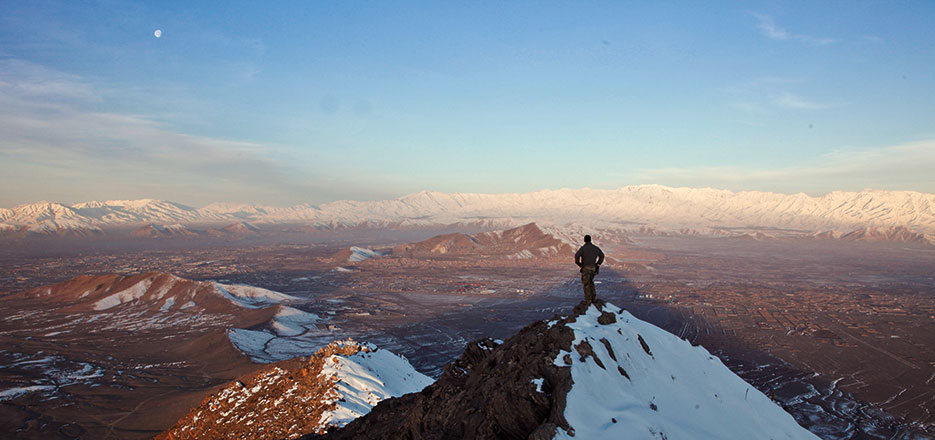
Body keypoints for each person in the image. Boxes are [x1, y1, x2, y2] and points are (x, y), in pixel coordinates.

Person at [574, 235, 604, 303]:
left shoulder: (583, 248)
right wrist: (598, 264)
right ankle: (593, 298)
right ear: (590, 240)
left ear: (584, 240)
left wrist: (579, 264)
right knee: (591, 282)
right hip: (593, 268)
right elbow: (602, 256)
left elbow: (577, 256)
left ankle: (588, 300)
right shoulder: (595, 248)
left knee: (586, 283)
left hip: (585, 268)